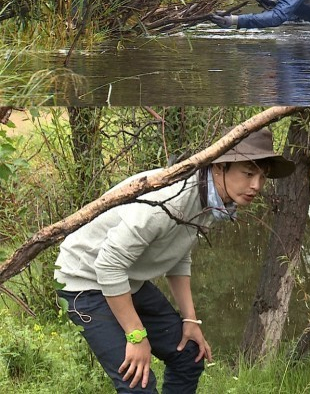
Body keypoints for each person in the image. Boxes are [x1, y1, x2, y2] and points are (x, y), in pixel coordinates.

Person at [54, 129, 294, 394]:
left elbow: (179, 254)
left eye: (262, 176)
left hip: (126, 280)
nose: (256, 186)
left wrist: (191, 320)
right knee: (138, 383)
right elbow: (108, 265)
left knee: (189, 355)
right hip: (84, 281)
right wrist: (136, 336)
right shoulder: (171, 198)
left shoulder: (210, 199)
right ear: (218, 167)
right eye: (248, 174)